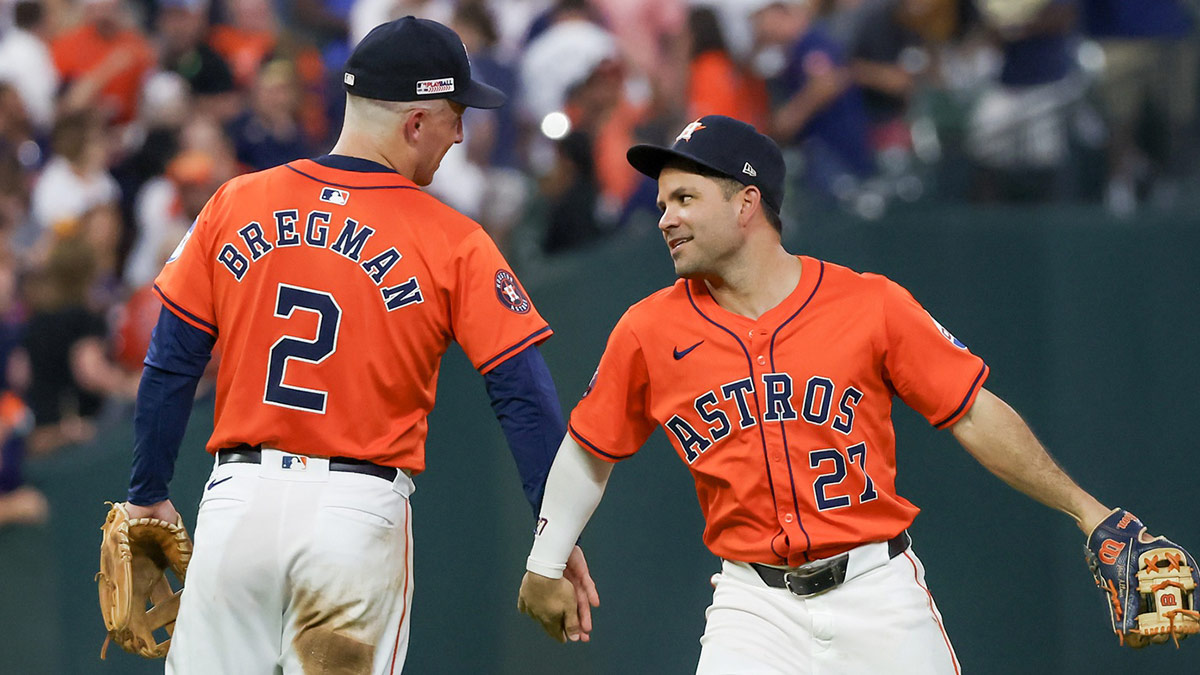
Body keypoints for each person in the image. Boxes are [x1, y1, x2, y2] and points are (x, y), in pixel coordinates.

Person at [515, 114, 1125, 671]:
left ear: (746, 203)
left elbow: (973, 412)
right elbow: (589, 448)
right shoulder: (648, 329)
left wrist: (1086, 509)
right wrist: (544, 561)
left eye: (685, 198)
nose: (665, 218)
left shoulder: (868, 304)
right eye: (662, 203)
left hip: (878, 590)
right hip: (753, 605)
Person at [120, 17, 596, 673]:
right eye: (455, 114)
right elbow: (524, 395)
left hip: (236, 511)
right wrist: (553, 534)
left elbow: (171, 360)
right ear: (415, 122)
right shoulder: (453, 238)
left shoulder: (236, 201)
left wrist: (146, 490)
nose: (461, 133)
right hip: (352, 523)